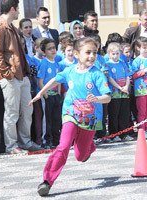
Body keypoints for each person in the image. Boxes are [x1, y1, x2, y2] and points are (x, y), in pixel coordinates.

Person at [29, 37, 111, 196]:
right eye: (87, 52)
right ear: (76, 54)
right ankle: (47, 181)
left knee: (80, 156)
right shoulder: (70, 70)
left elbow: (107, 97)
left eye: (94, 53)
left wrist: (97, 99)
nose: (92, 56)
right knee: (63, 146)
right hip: (71, 114)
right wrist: (41, 92)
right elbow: (55, 80)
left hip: (90, 120)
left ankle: (89, 147)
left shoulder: (97, 74)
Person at [0, 0, 43, 154]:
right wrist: (7, 74)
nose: (20, 12)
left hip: (22, 75)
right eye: (18, 8)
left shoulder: (12, 27)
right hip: (11, 76)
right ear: (12, 9)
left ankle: (25, 142)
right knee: (12, 112)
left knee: (27, 110)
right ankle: (11, 146)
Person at [106, 42, 133, 142]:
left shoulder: (122, 63)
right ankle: (114, 134)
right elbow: (110, 78)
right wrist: (119, 87)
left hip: (124, 93)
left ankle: (124, 134)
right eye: (113, 54)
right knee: (114, 115)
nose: (115, 56)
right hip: (114, 94)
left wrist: (126, 86)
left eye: (117, 53)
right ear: (109, 54)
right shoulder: (108, 64)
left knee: (124, 114)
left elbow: (127, 76)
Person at [37, 38, 62, 149]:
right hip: (48, 96)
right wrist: (45, 95)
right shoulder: (44, 63)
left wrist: (59, 92)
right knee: (47, 119)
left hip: (56, 95)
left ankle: (57, 140)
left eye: (54, 48)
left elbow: (59, 80)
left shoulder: (56, 63)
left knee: (57, 118)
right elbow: (40, 81)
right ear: (43, 52)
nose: (53, 50)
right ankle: (46, 140)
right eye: (49, 49)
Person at [131, 37, 147, 139]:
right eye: (144, 48)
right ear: (138, 48)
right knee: (142, 111)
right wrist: (145, 70)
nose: (146, 50)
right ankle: (141, 129)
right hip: (141, 90)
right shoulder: (136, 61)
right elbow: (133, 75)